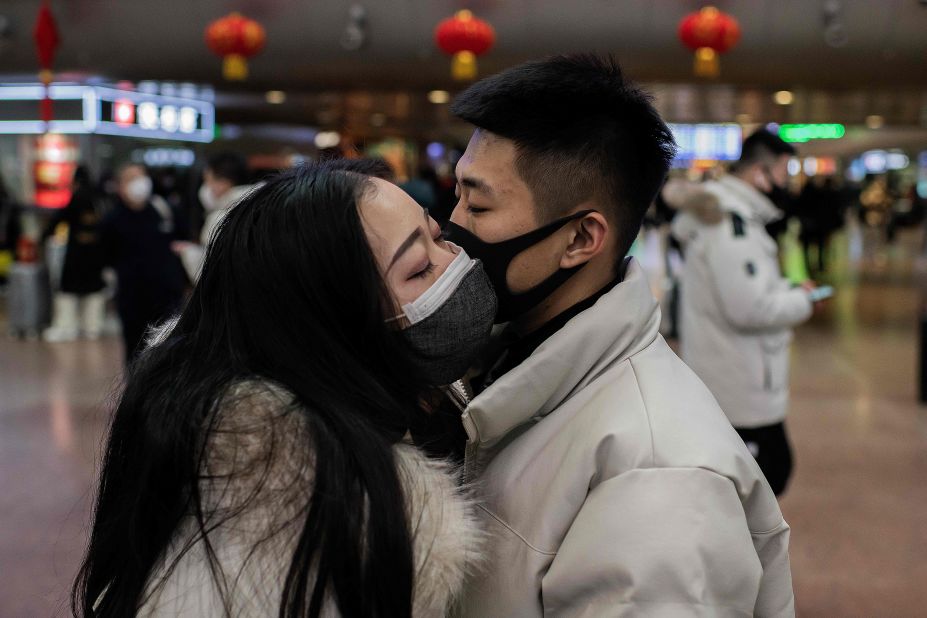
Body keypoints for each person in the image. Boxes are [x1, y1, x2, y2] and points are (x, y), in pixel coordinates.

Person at [443, 54, 794, 616]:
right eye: (456, 194)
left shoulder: (658, 476)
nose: (451, 228)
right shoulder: (506, 364)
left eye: (478, 204)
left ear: (582, 238)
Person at [72, 160, 491, 617]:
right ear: (334, 325)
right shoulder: (298, 542)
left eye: (436, 236)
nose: (455, 263)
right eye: (418, 269)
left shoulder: (408, 404)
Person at [671, 129, 821, 497]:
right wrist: (804, 303)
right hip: (739, 383)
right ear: (759, 173)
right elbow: (749, 307)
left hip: (736, 375)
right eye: (784, 174)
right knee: (766, 474)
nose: (786, 183)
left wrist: (785, 289)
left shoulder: (734, 217)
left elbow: (744, 289)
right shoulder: (729, 224)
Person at [101, 164, 187, 363]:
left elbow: (182, 242)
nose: (140, 183)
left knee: (169, 348)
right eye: (132, 178)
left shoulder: (164, 210)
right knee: (136, 349)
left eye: (142, 176)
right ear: (120, 186)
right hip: (132, 297)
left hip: (167, 294)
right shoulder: (112, 220)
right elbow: (106, 255)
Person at [42, 166, 108, 341]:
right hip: (96, 253)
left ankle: (67, 326)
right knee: (94, 289)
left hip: (76, 254)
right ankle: (93, 327)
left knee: (68, 290)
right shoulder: (99, 199)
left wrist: (45, 235)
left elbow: (61, 217)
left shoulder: (77, 196)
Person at [174, 152, 255, 282]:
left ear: (223, 183)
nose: (206, 188)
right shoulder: (264, 207)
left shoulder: (220, 218)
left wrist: (188, 252)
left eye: (207, 181)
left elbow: (209, 276)